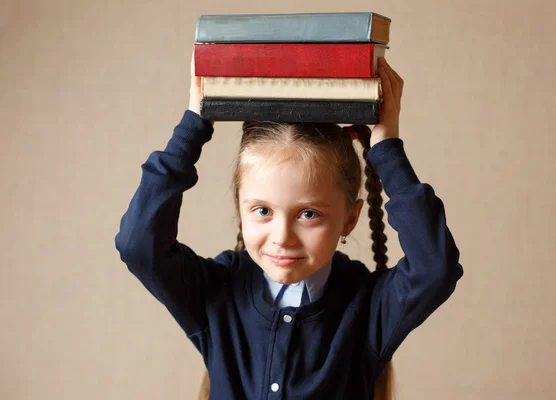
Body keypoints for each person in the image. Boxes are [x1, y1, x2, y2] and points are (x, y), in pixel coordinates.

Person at [115, 49, 464, 400]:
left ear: (350, 218)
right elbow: (139, 245)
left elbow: (435, 267)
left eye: (308, 214)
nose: (282, 238)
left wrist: (387, 148)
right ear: (240, 207)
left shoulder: (366, 305)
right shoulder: (217, 291)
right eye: (263, 211)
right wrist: (195, 123)